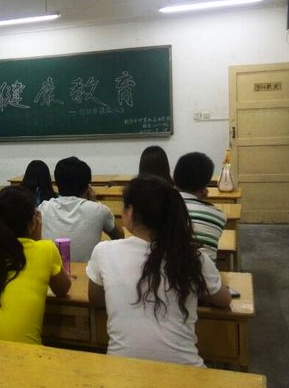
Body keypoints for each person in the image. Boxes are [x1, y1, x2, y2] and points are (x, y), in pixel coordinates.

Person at [87, 175, 231, 366]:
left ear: (130, 212)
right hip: (185, 370)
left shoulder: (104, 251)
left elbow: (95, 298)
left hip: (120, 370)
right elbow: (224, 300)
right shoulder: (193, 257)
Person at [0, 186, 72, 345]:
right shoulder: (46, 249)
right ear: (32, 222)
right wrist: (37, 237)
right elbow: (63, 289)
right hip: (26, 357)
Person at [38, 157, 123, 262]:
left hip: (53, 271)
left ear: (56, 184)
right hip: (87, 270)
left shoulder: (43, 208)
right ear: (88, 188)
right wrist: (94, 203)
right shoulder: (99, 210)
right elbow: (120, 237)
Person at [173, 152, 227, 260]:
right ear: (205, 186)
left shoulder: (159, 209)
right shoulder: (219, 216)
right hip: (203, 270)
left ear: (174, 178)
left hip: (162, 269)